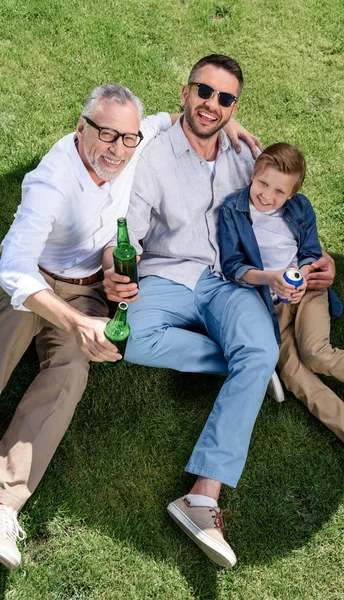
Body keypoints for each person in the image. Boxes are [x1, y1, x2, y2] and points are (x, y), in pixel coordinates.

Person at [102, 55, 336, 568]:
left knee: (259, 348)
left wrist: (323, 259)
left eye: (225, 98)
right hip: (168, 273)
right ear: (185, 93)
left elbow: (283, 204)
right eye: (204, 92)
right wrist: (115, 269)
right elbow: (131, 236)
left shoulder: (244, 156)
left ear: (235, 107)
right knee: (127, 339)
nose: (212, 105)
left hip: (229, 281)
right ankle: (245, 370)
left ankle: (201, 498)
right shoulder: (153, 156)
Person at [0, 83, 180, 570]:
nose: (117, 149)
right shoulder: (51, 181)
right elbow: (14, 267)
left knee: (71, 374)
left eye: (127, 138)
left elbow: (169, 117)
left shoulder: (134, 146)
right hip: (32, 282)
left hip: (86, 287)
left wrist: (111, 273)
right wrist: (79, 321)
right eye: (106, 134)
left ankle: (3, 503)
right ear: (82, 129)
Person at [219, 142, 344, 503]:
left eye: (280, 191)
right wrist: (273, 278)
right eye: (263, 184)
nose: (268, 195)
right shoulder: (232, 211)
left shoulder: (300, 208)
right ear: (254, 174)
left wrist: (300, 274)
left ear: (293, 194)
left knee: (316, 354)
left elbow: (312, 251)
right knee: (295, 375)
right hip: (270, 305)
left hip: (307, 292)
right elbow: (232, 267)